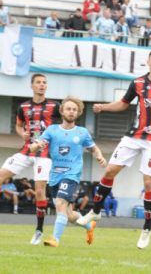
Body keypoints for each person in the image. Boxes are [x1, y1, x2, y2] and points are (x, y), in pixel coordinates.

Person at [78, 50, 151, 249]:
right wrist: (103, 107)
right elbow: (123, 104)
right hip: (134, 136)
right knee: (109, 170)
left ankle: (147, 229)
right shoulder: (138, 83)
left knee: (149, 183)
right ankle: (95, 211)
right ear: (148, 62)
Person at [0, 74, 60, 245]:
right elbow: (18, 125)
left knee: (39, 192)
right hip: (25, 150)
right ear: (32, 86)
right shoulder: (23, 107)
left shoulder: (55, 106)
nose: (42, 85)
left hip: (44, 154)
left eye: (44, 83)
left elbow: (64, 124)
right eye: (38, 82)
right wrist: (22, 133)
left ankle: (39, 230)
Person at [28, 97, 106, 247]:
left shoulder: (82, 132)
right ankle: (89, 226)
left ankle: (55, 239)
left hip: (71, 175)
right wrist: (35, 145)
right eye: (69, 109)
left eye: (74, 110)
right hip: (55, 176)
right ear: (62, 111)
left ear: (78, 113)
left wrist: (100, 156)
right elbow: (37, 143)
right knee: (69, 215)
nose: (71, 112)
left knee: (60, 205)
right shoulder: (52, 130)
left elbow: (93, 148)